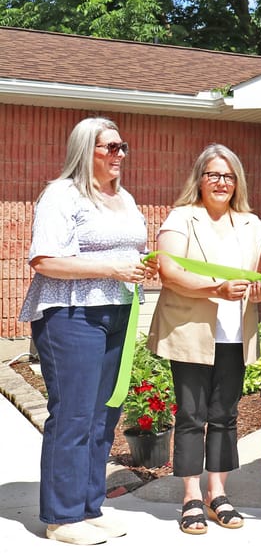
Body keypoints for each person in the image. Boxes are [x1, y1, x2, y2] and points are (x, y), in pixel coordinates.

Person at [19, 117, 156, 545]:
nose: (119, 155)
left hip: (116, 314)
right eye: (109, 147)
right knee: (74, 415)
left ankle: (89, 507)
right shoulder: (62, 194)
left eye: (122, 147)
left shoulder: (124, 198)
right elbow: (44, 260)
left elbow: (132, 250)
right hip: (71, 315)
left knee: (103, 415)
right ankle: (61, 518)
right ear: (85, 150)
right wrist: (110, 267)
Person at [148, 144, 261, 535]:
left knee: (225, 414)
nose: (221, 182)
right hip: (191, 332)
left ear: (238, 182)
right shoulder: (182, 218)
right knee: (191, 415)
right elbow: (168, 272)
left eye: (228, 176)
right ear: (199, 179)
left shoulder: (252, 223)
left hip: (234, 333)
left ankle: (218, 492)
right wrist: (216, 288)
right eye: (213, 175)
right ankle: (190, 496)